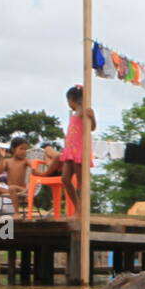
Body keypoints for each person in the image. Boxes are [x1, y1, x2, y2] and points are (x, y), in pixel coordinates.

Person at [59, 86, 96, 215]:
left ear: (72, 99)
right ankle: (78, 206)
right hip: (70, 151)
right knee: (65, 178)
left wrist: (93, 117)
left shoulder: (84, 110)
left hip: (79, 150)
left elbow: (92, 128)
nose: (68, 104)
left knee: (81, 181)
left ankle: (83, 209)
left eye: (68, 101)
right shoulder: (75, 113)